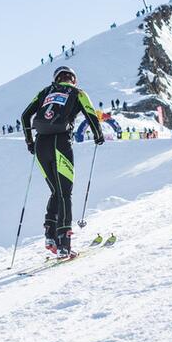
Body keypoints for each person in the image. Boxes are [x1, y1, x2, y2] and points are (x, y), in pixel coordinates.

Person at [21, 66, 104, 259]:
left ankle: (50, 236)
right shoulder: (78, 92)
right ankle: (64, 245)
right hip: (61, 144)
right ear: (73, 80)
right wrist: (98, 136)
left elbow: (25, 115)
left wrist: (29, 142)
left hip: (41, 144)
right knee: (65, 193)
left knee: (55, 191)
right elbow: (91, 113)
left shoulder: (45, 92)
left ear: (56, 79)